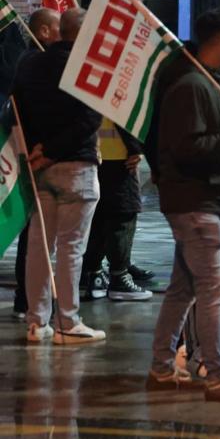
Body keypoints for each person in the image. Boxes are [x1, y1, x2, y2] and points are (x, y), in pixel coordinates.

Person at [146, 8, 220, 402]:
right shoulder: (192, 85)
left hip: (198, 199)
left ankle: (161, 368)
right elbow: (189, 147)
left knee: (183, 289)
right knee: (213, 286)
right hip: (197, 201)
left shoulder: (199, 80)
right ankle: (217, 376)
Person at [13, 8, 105, 344]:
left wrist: (37, 150)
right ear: (81, 34)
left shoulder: (29, 64)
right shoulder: (87, 66)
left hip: (38, 167)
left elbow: (16, 110)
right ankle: (68, 322)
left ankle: (37, 323)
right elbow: (89, 120)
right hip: (76, 168)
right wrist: (53, 149)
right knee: (71, 248)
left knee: (38, 246)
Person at [8, 8, 61, 321]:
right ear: (43, 32)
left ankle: (26, 298)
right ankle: (29, 299)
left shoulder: (30, 63)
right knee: (37, 233)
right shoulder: (33, 66)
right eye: (57, 28)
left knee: (36, 233)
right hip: (35, 160)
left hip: (33, 156)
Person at [79, 119, 153, 302]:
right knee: (123, 216)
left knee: (97, 218)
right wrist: (136, 147)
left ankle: (93, 273)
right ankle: (119, 276)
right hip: (119, 155)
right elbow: (123, 113)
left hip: (91, 153)